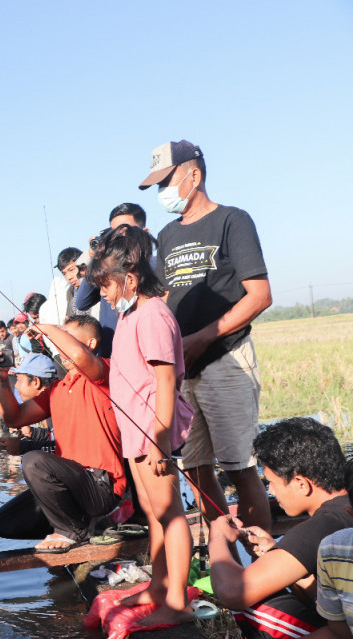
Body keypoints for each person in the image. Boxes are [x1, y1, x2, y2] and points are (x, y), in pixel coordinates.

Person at [141, 139, 273, 533]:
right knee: (197, 472)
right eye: (157, 186)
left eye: (167, 182)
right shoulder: (166, 235)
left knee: (241, 469)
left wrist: (201, 339)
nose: (163, 193)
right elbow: (163, 299)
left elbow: (260, 295)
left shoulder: (233, 220)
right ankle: (225, 564)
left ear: (193, 174)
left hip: (225, 359)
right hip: (182, 370)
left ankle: (264, 567)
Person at [87, 225, 195, 626]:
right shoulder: (131, 315)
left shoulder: (152, 315)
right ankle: (159, 585)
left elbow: (166, 381)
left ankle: (178, 602)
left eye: (107, 286)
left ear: (130, 279)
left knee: (170, 514)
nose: (104, 294)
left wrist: (160, 440)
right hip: (137, 435)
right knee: (152, 513)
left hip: (154, 435)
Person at [174, 419, 353, 639]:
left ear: (301, 484)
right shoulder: (343, 509)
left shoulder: (323, 525)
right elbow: (329, 595)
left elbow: (233, 594)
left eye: (272, 483)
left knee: (255, 607)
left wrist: (217, 538)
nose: (271, 491)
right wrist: (277, 553)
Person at [0, 317, 125, 551]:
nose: (60, 347)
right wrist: (2, 380)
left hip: (101, 485)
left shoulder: (105, 372)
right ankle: (78, 524)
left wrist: (47, 329)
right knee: (3, 522)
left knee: (33, 461)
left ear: (90, 343)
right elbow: (14, 418)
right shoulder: (57, 389)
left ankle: (71, 530)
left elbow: (82, 358)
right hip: (71, 485)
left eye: (68, 338)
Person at [75, 203, 148, 357]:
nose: (120, 239)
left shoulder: (156, 266)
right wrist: (98, 257)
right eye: (114, 234)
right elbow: (82, 302)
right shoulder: (106, 268)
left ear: (144, 233)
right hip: (111, 356)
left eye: (126, 232)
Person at [0, 353, 57, 455]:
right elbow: (53, 436)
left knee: (31, 461)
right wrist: (32, 432)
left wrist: (22, 447)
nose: (16, 385)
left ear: (36, 381)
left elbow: (63, 448)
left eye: (19, 379)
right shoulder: (50, 402)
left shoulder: (57, 405)